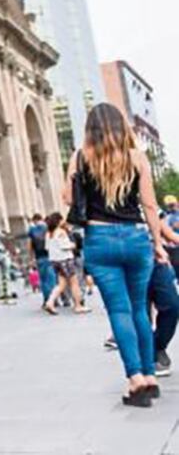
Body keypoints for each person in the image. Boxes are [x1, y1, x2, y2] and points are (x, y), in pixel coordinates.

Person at [66, 103, 168, 407]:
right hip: (137, 238)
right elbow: (149, 205)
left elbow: (67, 197)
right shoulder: (137, 157)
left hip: (100, 239)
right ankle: (149, 376)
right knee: (139, 309)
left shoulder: (82, 155)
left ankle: (135, 379)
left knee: (119, 312)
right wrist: (159, 244)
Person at [42, 214, 89, 315]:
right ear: (59, 221)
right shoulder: (61, 232)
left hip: (55, 261)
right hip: (66, 260)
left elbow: (46, 248)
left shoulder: (49, 233)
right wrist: (73, 245)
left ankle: (50, 302)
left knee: (61, 285)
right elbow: (64, 246)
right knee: (74, 283)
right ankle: (78, 305)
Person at [26, 213, 56, 307]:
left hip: (39, 258)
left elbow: (29, 246)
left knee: (43, 280)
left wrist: (31, 258)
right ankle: (53, 299)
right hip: (51, 256)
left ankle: (46, 299)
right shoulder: (48, 228)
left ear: (34, 220)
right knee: (52, 278)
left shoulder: (32, 230)